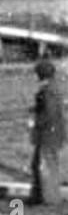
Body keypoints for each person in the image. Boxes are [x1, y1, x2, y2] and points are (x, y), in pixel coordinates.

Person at [29, 58, 63, 207]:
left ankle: (50, 199)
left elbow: (50, 112)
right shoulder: (52, 88)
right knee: (38, 164)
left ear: (41, 74)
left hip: (48, 134)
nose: (34, 76)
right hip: (53, 132)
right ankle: (39, 196)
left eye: (36, 73)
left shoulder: (48, 91)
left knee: (45, 165)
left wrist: (35, 123)